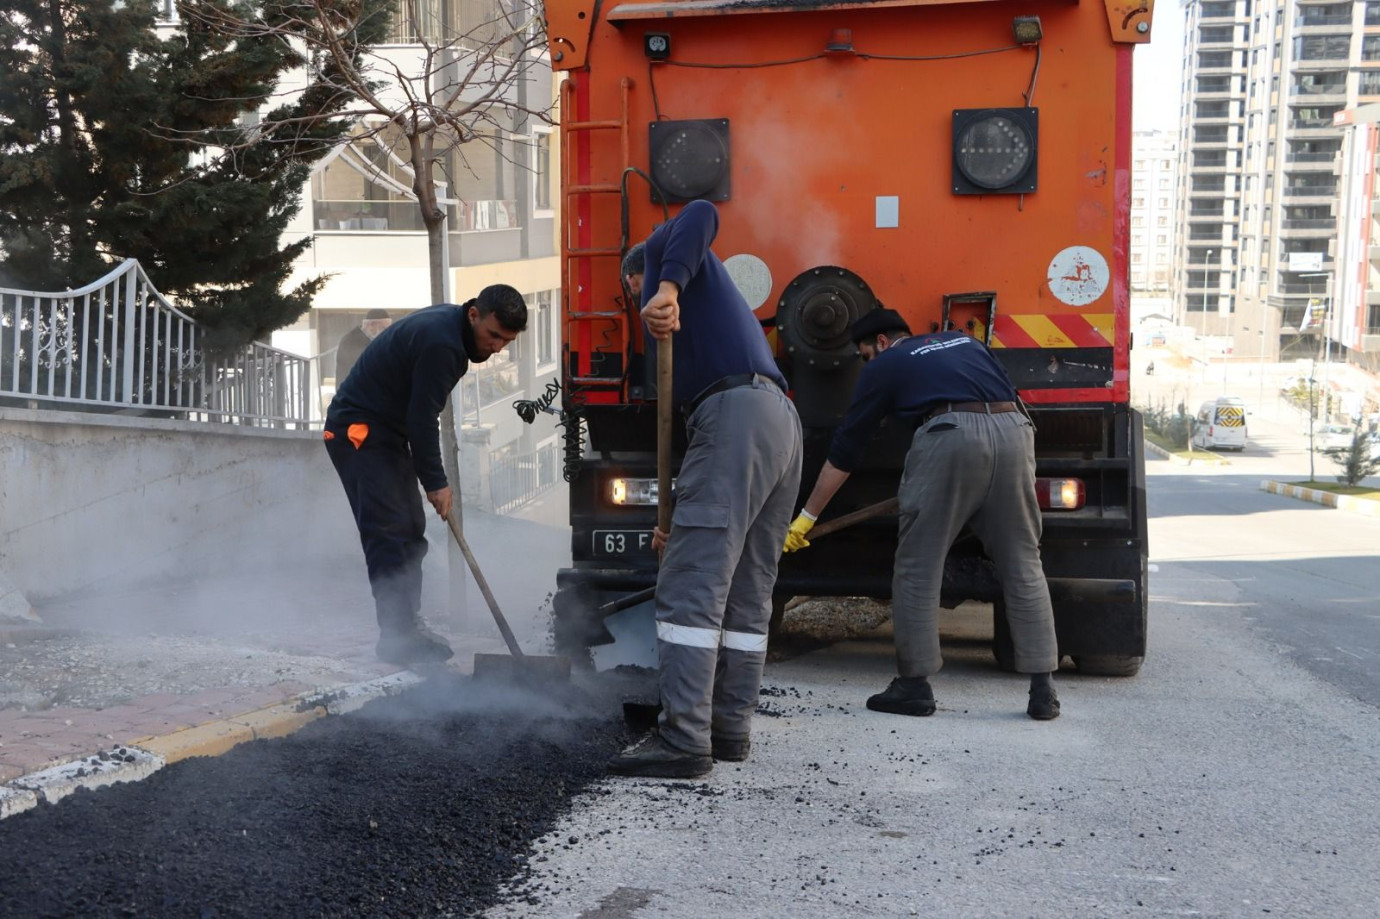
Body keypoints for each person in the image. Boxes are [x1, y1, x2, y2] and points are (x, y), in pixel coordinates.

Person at [782, 308, 1061, 721]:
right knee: (1023, 563)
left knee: (918, 566)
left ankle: (914, 686)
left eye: (864, 354)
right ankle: (1044, 690)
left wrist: (807, 516)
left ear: (880, 342)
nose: (866, 363)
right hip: (1015, 432)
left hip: (949, 434)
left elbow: (847, 451)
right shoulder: (967, 342)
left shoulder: (887, 363)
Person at [607, 200, 803, 778]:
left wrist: (665, 285)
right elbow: (676, 430)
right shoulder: (694, 331)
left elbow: (699, 212)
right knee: (746, 590)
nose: (642, 302)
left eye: (636, 289)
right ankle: (729, 729)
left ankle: (684, 739)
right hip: (777, 423)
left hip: (736, 417)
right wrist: (672, 515)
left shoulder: (671, 265)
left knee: (691, 588)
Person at [323, 288, 526, 665]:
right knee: (387, 530)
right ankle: (396, 637)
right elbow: (422, 418)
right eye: (494, 335)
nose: (497, 347)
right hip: (358, 432)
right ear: (474, 315)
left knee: (411, 527)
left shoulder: (452, 330)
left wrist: (431, 480)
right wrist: (436, 481)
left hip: (384, 434)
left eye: (507, 342)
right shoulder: (443, 345)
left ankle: (407, 625)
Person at [335, 308, 393, 384]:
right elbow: (346, 373)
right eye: (383, 328)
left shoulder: (383, 341)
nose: (386, 332)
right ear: (371, 325)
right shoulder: (350, 341)